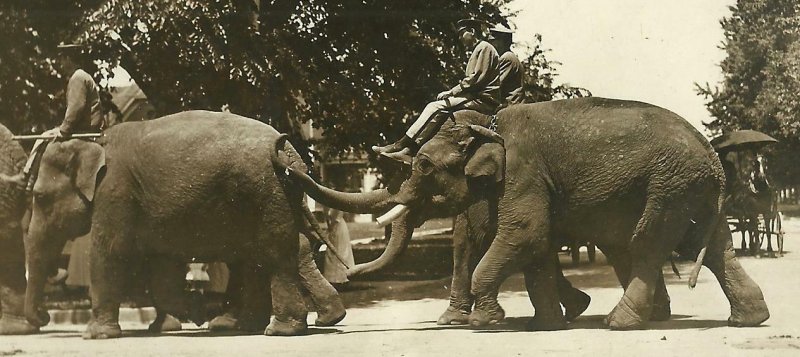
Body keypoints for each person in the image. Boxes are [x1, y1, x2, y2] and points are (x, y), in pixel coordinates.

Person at [372, 19, 501, 164]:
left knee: (434, 106)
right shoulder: (478, 49)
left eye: (461, 34)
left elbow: (476, 78)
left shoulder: (484, 47)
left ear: (472, 31)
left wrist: (452, 92)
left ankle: (400, 144)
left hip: (482, 99)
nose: (459, 38)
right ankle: (410, 151)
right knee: (440, 113)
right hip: (474, 96)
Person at [0, 43, 104, 191]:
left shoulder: (77, 78)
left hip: (84, 128)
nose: (60, 63)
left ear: (68, 58)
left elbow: (76, 108)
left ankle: (26, 177)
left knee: (43, 137)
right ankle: (29, 178)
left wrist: (64, 130)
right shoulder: (82, 76)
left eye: (62, 59)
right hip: (87, 126)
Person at [488, 24, 526, 106]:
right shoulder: (507, 57)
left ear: (502, 41)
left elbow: (495, 85)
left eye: (493, 41)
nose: (491, 45)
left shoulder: (507, 57)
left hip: (511, 106)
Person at [322, 207, 355, 287]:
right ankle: (332, 277)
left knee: (340, 250)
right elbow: (327, 216)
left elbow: (337, 218)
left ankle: (342, 277)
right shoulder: (327, 205)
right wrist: (329, 226)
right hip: (332, 227)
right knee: (331, 251)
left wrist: (331, 228)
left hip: (338, 227)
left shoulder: (337, 206)